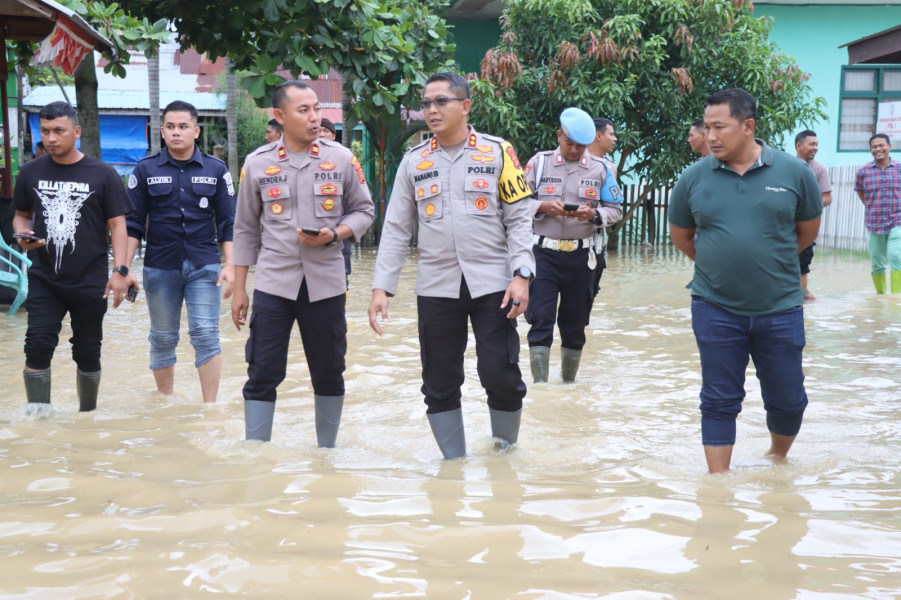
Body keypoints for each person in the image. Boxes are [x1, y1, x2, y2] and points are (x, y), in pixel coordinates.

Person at [368, 71, 534, 460]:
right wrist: (381, 288)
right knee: (439, 381)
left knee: (500, 373)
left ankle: (505, 456)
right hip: (436, 286)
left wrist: (522, 275)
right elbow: (396, 228)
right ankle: (453, 467)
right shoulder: (414, 162)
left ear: (466, 106)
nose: (432, 110)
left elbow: (519, 218)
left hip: (494, 283)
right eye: (426, 103)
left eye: (441, 101)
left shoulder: (498, 152)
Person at [668, 89, 822, 474]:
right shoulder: (693, 178)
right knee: (718, 398)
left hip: (781, 306)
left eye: (719, 127)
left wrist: (767, 262)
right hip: (714, 306)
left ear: (748, 126)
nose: (710, 136)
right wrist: (720, 266)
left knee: (788, 398)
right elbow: (682, 237)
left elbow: (807, 232)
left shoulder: (794, 173)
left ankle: (777, 459)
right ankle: (717, 487)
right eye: (707, 127)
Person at [231, 80, 374, 445]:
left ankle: (327, 454)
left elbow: (364, 210)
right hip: (273, 285)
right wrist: (240, 289)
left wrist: (336, 233)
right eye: (304, 110)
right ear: (279, 116)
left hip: (326, 284)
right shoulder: (257, 163)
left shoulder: (341, 158)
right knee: (262, 370)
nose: (314, 117)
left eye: (316, 109)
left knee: (329, 371)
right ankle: (256, 452)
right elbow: (245, 228)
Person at [12, 101, 136, 413]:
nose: (51, 138)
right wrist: (22, 234)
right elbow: (21, 215)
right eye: (45, 131)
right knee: (37, 344)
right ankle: (38, 419)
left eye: (59, 130)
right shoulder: (30, 171)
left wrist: (120, 270)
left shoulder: (103, 174)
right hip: (44, 278)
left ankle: (87, 418)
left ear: (77, 131)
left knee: (88, 351)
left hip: (90, 280)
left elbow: (118, 225)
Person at [125, 100, 236, 403]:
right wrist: (124, 268)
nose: (177, 132)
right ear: (162, 131)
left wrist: (231, 265)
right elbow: (133, 224)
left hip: (205, 265)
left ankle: (210, 409)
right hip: (160, 266)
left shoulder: (216, 169)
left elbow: (229, 222)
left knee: (206, 334)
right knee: (162, 337)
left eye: (183, 126)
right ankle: (165, 403)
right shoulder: (145, 169)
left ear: (196, 131)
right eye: (171, 127)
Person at [525, 108, 622, 384]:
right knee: (540, 320)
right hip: (543, 254)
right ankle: (541, 388)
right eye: (570, 143)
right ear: (559, 135)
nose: (575, 150)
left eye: (581, 146)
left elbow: (615, 209)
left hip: (582, 257)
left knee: (575, 324)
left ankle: (569, 386)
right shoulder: (538, 164)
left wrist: (593, 215)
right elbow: (517, 204)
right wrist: (543, 206)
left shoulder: (602, 169)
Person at [855, 133, 901, 294]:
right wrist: (872, 206)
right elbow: (860, 192)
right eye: (874, 146)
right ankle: (881, 297)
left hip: (897, 220)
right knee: (877, 263)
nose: (878, 149)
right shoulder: (863, 172)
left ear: (889, 147)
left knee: (897, 257)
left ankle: (896, 298)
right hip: (874, 222)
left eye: (881, 145)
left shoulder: (899, 168)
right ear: (870, 150)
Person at [794, 129, 833, 300]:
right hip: (783, 225)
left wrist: (804, 207)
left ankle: (803, 295)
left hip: (806, 226)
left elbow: (827, 198)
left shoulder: (819, 169)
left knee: (803, 263)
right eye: (812, 144)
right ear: (799, 145)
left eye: (817, 144)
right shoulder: (786, 166)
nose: (815, 148)